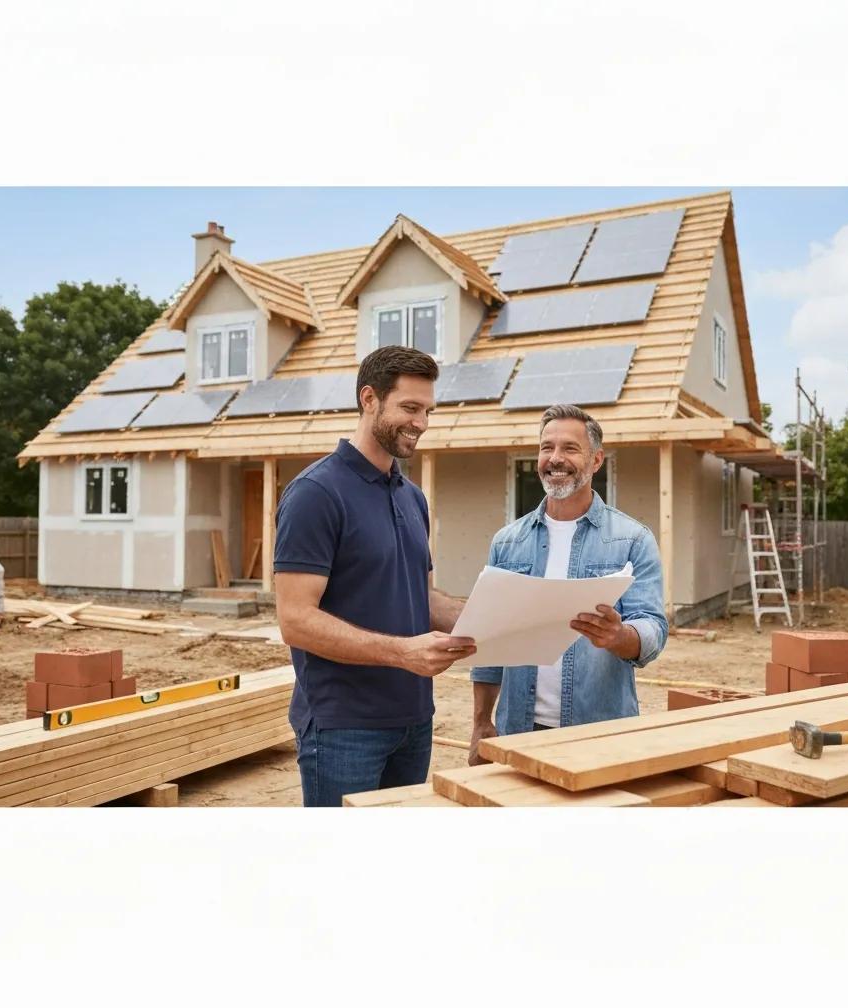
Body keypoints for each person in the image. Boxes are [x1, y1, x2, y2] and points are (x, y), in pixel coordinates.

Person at [274, 345, 476, 807]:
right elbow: (295, 620)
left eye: (427, 411)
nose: (421, 423)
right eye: (409, 407)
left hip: (413, 721)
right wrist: (403, 653)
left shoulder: (412, 498)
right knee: (341, 870)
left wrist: (486, 617)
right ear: (369, 399)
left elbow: (418, 598)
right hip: (344, 727)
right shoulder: (316, 494)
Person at [468, 404, 668, 764]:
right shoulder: (507, 542)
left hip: (599, 733)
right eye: (547, 447)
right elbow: (490, 642)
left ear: (596, 460)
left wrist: (620, 636)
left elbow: (654, 627)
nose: (555, 458)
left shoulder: (632, 540)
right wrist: (482, 722)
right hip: (519, 731)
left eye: (569, 449)